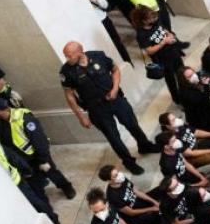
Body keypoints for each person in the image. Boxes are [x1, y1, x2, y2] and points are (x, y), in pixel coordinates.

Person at [60, 42, 159, 176]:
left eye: (69, 55)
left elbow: (115, 70)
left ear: (80, 51)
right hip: (97, 109)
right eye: (66, 56)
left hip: (115, 99)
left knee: (132, 124)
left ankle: (145, 146)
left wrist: (115, 89)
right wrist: (81, 117)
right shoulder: (66, 71)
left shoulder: (98, 56)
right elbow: (69, 95)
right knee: (114, 138)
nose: (67, 59)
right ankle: (129, 162)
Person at [0, 97, 74, 200]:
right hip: (23, 160)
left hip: (36, 155)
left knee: (51, 172)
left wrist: (43, 160)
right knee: (34, 183)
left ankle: (67, 187)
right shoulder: (1, 122)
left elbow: (39, 140)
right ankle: (43, 202)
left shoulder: (24, 118)